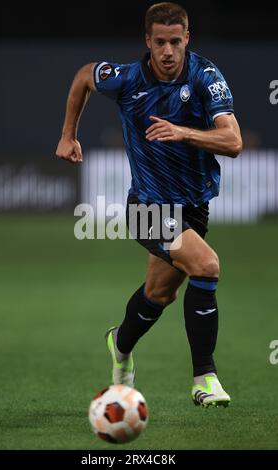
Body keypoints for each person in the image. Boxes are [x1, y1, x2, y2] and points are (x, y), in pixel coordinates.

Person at [56, 2, 242, 408]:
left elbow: (233, 142)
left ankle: (119, 345)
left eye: (176, 41)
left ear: (187, 39)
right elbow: (85, 75)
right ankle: (205, 378)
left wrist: (183, 132)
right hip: (146, 209)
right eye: (160, 42)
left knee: (159, 294)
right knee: (207, 266)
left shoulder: (206, 77)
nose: (168, 51)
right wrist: (69, 134)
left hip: (192, 207)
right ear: (148, 41)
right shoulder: (126, 80)